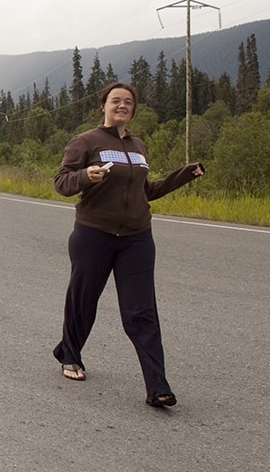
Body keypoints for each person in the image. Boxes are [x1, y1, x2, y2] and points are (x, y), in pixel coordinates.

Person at [51, 82, 204, 408]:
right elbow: (61, 182)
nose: (122, 106)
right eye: (115, 101)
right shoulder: (85, 141)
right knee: (84, 300)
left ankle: (157, 386)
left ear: (133, 109)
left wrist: (184, 175)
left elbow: (146, 191)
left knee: (141, 311)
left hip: (137, 237)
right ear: (103, 106)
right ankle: (70, 355)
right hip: (93, 234)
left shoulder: (138, 145)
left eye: (128, 102)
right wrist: (85, 177)